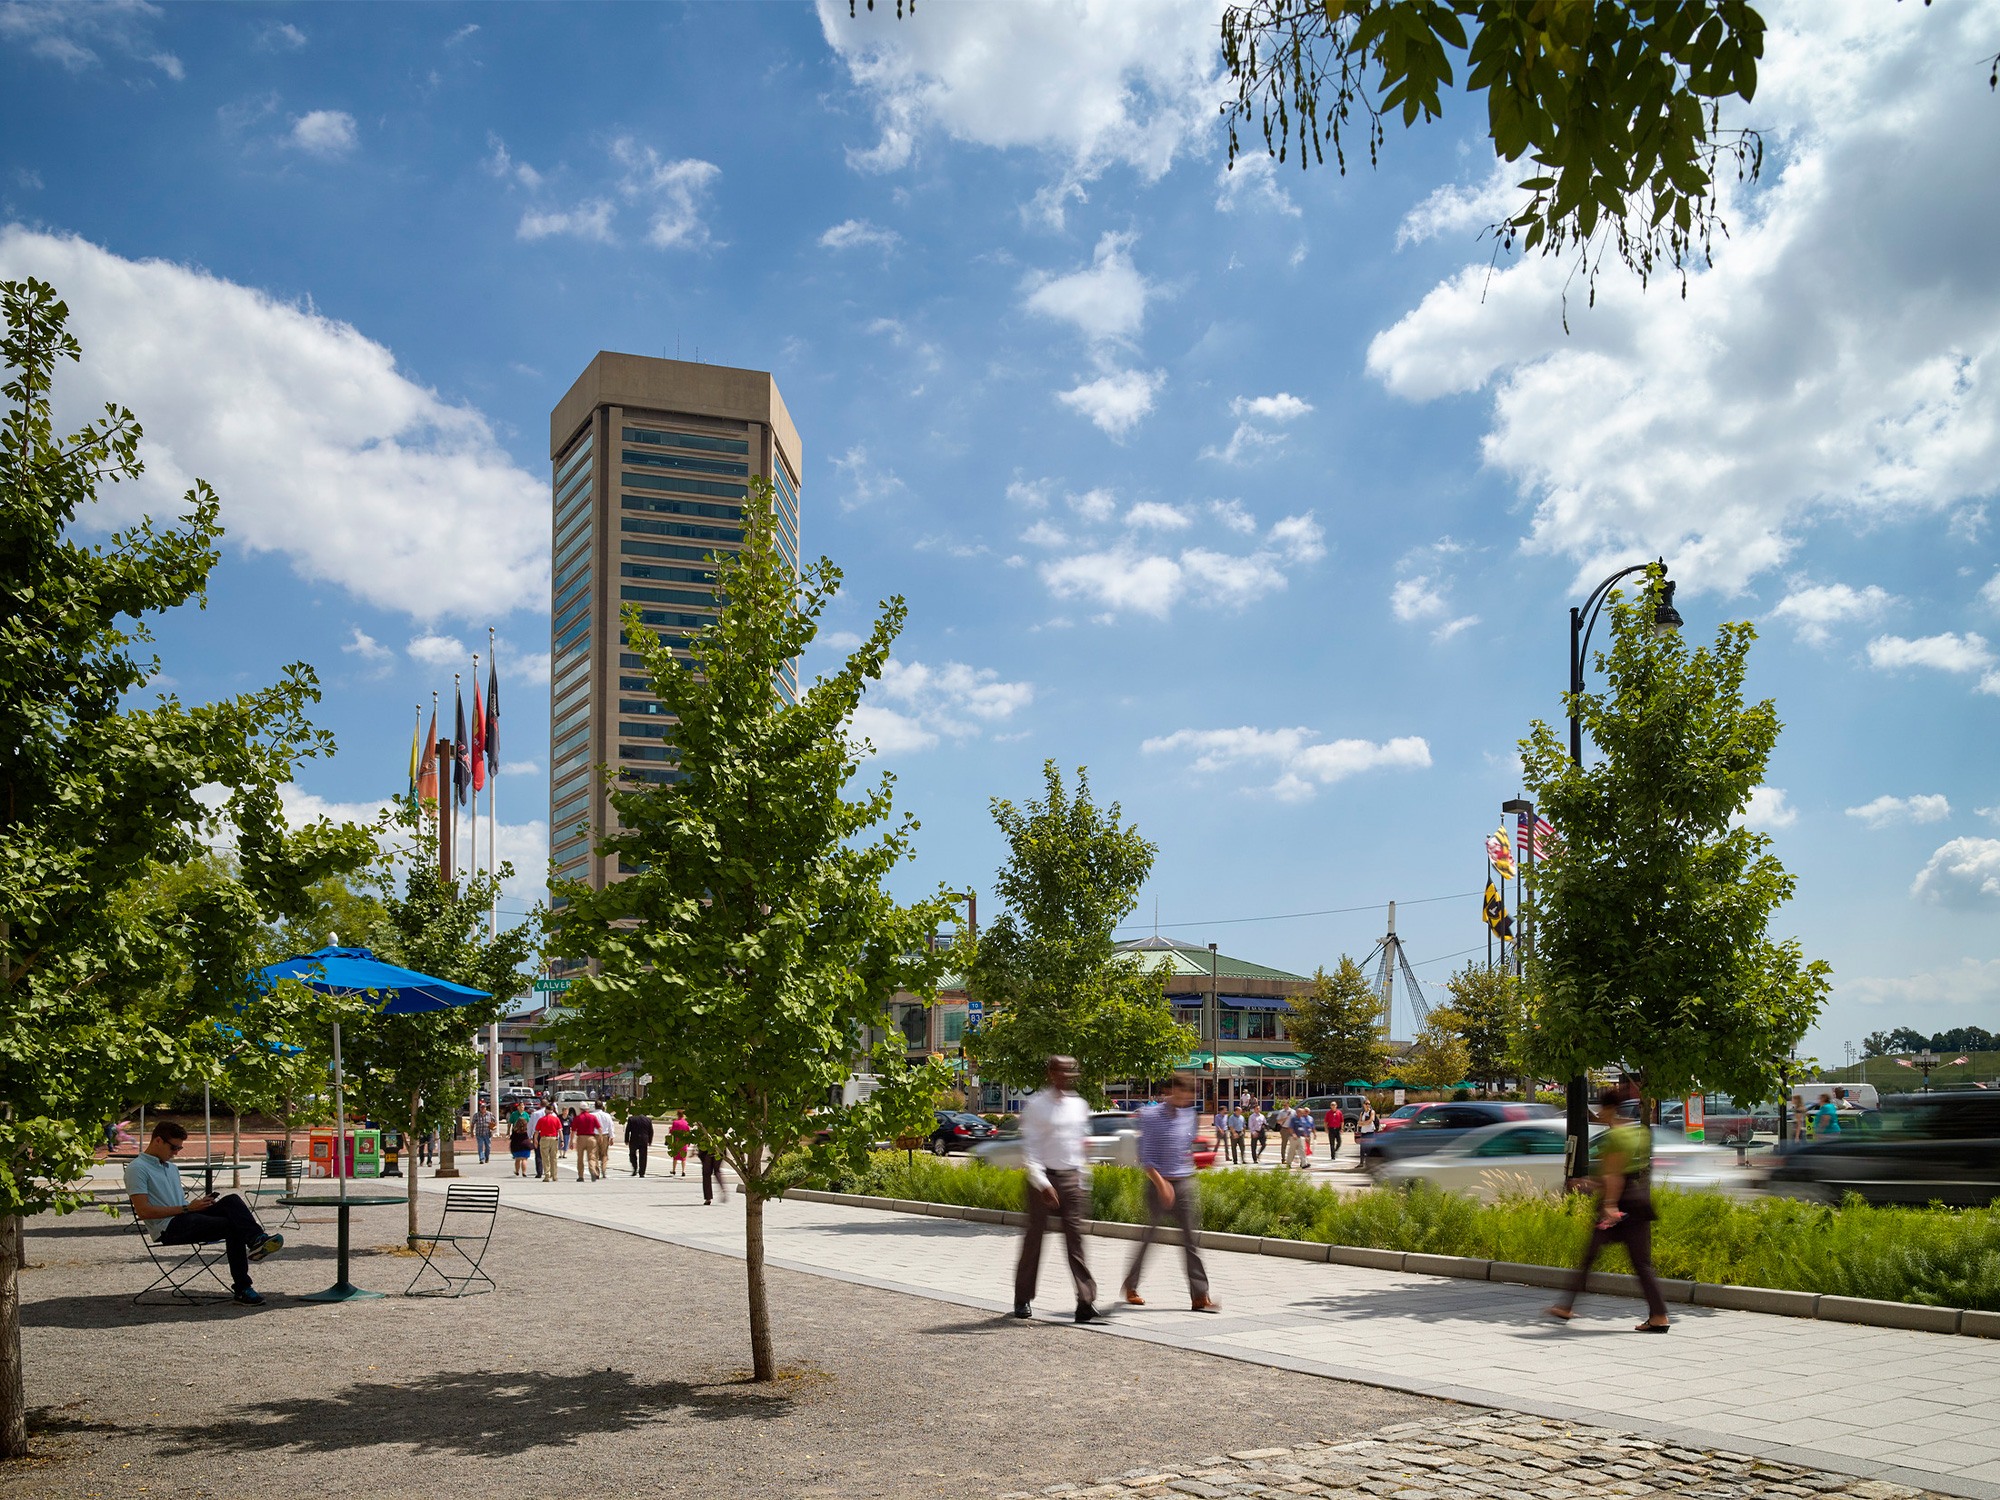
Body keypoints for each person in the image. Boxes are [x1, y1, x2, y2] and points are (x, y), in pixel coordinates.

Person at [1546, 1088, 1670, 1332]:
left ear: (1610, 1109)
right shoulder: (1641, 1133)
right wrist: (1588, 1183)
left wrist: (1609, 1206)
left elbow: (1614, 1175)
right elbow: (1626, 1173)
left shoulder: (1615, 1137)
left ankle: (1566, 1306)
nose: (1599, 1113)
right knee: (1642, 1263)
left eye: (1601, 1108)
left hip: (1619, 1206)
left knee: (1589, 1256)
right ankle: (1659, 1315)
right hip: (1638, 1201)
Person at [124, 1121, 283, 1306]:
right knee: (232, 1225)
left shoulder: (171, 1168)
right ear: (158, 1140)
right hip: (167, 1228)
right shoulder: (137, 1169)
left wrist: (196, 1205)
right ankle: (243, 1287)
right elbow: (143, 1212)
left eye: (179, 1148)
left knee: (231, 1200)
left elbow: (179, 1204)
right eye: (174, 1147)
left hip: (185, 1216)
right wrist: (187, 1208)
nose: (176, 1152)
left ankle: (257, 1240)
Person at [1012, 1055, 1100, 1323]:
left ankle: (1085, 1302)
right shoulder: (1037, 1106)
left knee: (1076, 1240)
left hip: (1072, 1178)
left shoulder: (1080, 1105)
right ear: (1051, 1073)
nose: (1068, 1075)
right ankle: (1022, 1298)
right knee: (1034, 1240)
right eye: (1062, 1070)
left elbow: (1080, 1145)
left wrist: (1083, 1179)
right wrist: (1042, 1183)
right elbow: (1031, 1149)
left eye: (1071, 1070)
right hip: (1044, 1180)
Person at [1123, 1073, 1219, 1313]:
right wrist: (1162, 1184)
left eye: (1191, 1094)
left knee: (1190, 1240)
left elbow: (1183, 1149)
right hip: (1158, 1185)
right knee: (1150, 1237)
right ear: (1172, 1090)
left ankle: (1200, 1296)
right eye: (1183, 1092)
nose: (1187, 1098)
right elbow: (1145, 1156)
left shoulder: (1189, 1115)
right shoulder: (1151, 1115)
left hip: (1184, 1183)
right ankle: (1131, 1285)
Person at [571, 1100, 602, 1181]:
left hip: (581, 1138)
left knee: (580, 1158)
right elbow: (599, 1128)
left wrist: (571, 1141)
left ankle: (581, 1176)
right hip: (591, 1138)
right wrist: (600, 1137)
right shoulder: (592, 1117)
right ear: (587, 1109)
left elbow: (573, 1131)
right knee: (592, 1157)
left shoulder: (577, 1118)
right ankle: (593, 1171)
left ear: (580, 1109)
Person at [534, 1103, 563, 1181]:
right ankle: (554, 1175)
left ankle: (547, 1175)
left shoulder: (541, 1119)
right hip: (554, 1138)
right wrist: (562, 1140)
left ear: (546, 1110)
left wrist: (535, 1140)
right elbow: (560, 1131)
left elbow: (536, 1131)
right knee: (554, 1157)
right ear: (552, 1110)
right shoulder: (556, 1119)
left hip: (544, 1138)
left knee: (545, 1157)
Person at [624, 1108, 654, 1178]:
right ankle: (642, 1172)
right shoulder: (648, 1120)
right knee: (643, 1156)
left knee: (632, 1154)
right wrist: (650, 1140)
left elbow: (627, 1130)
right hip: (644, 1139)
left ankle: (635, 1168)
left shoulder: (631, 1119)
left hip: (634, 1139)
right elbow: (651, 1131)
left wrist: (626, 1139)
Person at [698, 1139, 727, 1204]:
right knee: (717, 1170)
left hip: (706, 1147)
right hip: (719, 1145)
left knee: (706, 1173)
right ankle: (723, 1188)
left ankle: (708, 1198)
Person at [592, 1101, 616, 1178]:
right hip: (605, 1135)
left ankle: (596, 1171)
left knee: (594, 1155)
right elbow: (610, 1126)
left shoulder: (591, 1115)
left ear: (595, 1106)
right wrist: (611, 1137)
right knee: (604, 1154)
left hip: (594, 1135)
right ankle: (604, 1169)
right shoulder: (607, 1115)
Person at [508, 1109, 533, 1177]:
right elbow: (530, 1136)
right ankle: (524, 1172)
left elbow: (512, 1138)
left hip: (516, 1146)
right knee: (524, 1159)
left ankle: (517, 1171)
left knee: (517, 1159)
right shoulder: (526, 1130)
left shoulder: (515, 1130)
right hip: (525, 1146)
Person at [668, 1110, 693, 1176]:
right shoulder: (686, 1123)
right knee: (683, 1157)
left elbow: (672, 1131)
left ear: (677, 1115)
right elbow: (688, 1132)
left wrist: (670, 1129)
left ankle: (674, 1170)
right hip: (684, 1141)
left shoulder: (675, 1122)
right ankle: (683, 1171)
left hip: (676, 1141)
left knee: (675, 1156)